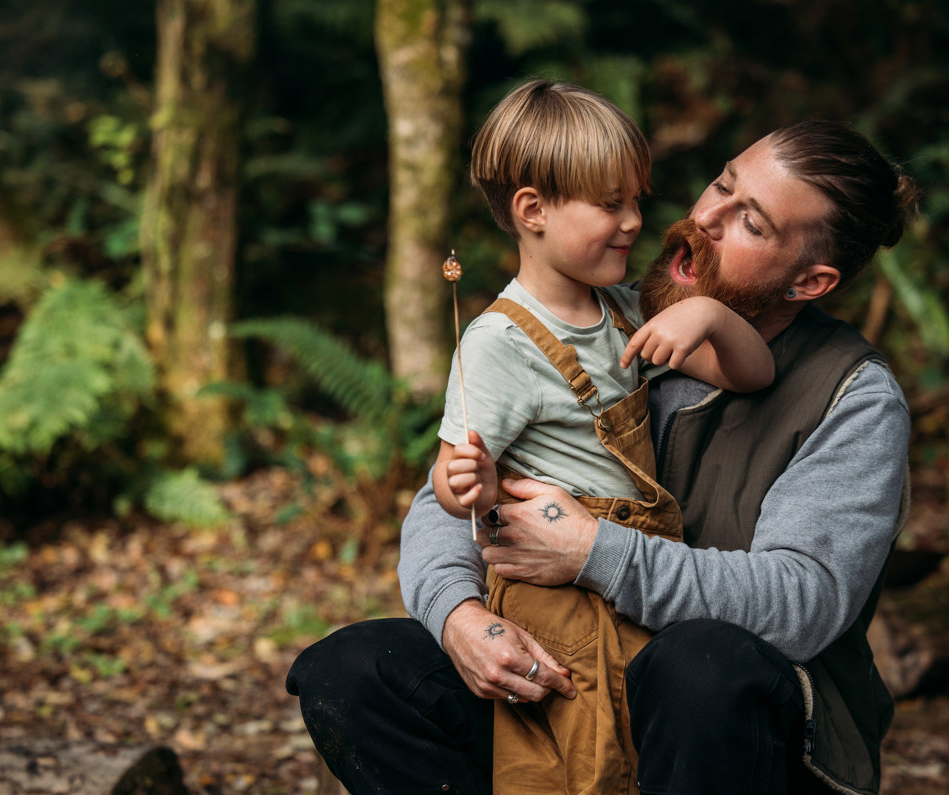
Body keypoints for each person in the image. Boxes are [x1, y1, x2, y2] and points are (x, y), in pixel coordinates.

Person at [286, 119, 917, 795]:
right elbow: (452, 495)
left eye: (751, 224)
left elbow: (803, 602)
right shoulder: (602, 315)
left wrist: (595, 550)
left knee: (700, 665)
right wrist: (459, 617)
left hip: (743, 736)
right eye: (721, 184)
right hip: (567, 665)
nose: (704, 217)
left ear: (809, 282)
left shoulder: (853, 397)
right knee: (352, 670)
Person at [430, 79, 774, 793]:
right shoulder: (499, 341)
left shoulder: (626, 308)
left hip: (622, 563)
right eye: (610, 203)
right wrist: (472, 483)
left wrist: (708, 317)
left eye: (636, 200)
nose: (633, 221)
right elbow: (448, 479)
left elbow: (753, 374)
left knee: (638, 743)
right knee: (582, 759)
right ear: (532, 211)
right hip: (547, 589)